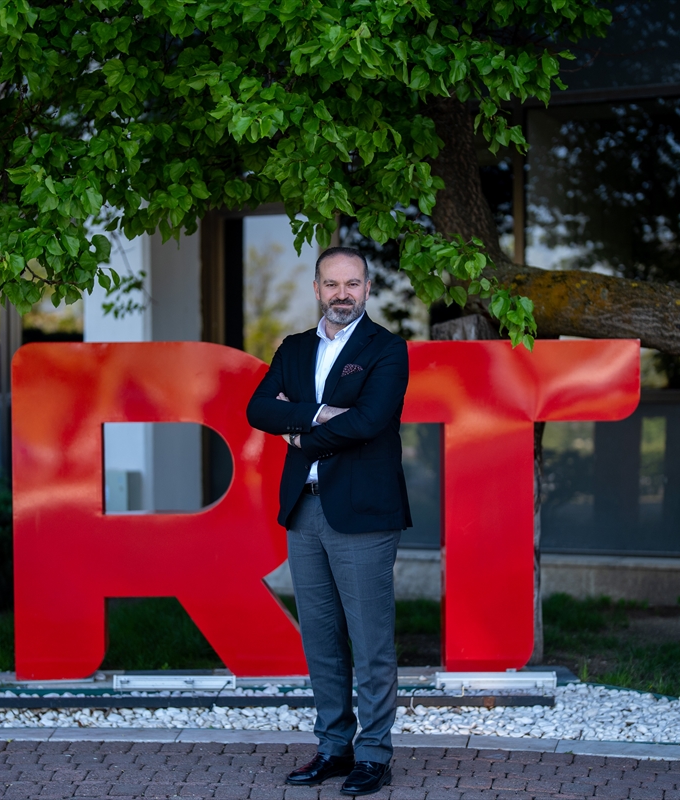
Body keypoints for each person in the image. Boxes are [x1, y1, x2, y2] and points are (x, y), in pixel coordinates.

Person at [246, 246, 412, 796]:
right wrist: (317, 413)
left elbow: (369, 422)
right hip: (305, 509)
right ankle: (333, 748)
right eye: (332, 284)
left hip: (362, 512)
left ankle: (373, 754)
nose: (343, 294)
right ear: (317, 289)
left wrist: (298, 432)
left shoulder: (386, 349)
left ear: (367, 290)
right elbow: (258, 409)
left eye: (354, 284)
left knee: (369, 641)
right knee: (320, 639)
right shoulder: (294, 348)